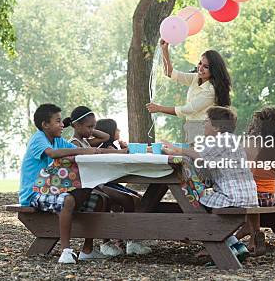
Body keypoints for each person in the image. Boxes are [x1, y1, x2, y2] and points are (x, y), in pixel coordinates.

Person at [18, 103, 121, 264]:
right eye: (58, 121)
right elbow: (52, 154)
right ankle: (66, 251)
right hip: (34, 193)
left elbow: (91, 150)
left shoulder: (58, 141)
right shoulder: (38, 138)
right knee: (68, 200)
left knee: (98, 200)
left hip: (53, 189)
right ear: (45, 125)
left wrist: (120, 153)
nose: (62, 125)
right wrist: (82, 150)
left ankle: (87, 250)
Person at [163, 106, 257, 262]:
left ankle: (220, 247)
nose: (203, 124)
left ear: (217, 126)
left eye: (206, 121)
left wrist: (176, 150)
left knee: (194, 200)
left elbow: (198, 155)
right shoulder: (230, 140)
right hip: (246, 195)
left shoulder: (222, 139)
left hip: (234, 197)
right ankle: (236, 246)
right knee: (200, 198)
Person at [67, 112, 151, 256]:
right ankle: (111, 242)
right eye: (89, 126)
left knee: (131, 198)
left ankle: (131, 240)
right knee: (126, 199)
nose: (92, 130)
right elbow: (102, 143)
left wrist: (88, 128)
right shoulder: (74, 143)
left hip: (97, 182)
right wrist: (82, 128)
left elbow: (105, 136)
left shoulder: (85, 141)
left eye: (94, 126)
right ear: (77, 126)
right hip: (91, 184)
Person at [146, 39, 231, 143]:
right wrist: (165, 50)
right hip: (192, 132)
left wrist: (159, 108)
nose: (200, 68)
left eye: (206, 67)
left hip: (205, 135)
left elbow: (188, 109)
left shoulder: (210, 91)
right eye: (200, 63)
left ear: (214, 70)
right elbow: (170, 73)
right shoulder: (195, 78)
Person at [236, 106, 275, 256]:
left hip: (254, 196)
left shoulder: (251, 144)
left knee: (247, 194)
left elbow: (245, 172)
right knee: (254, 195)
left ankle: (246, 235)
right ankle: (254, 237)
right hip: (270, 197)